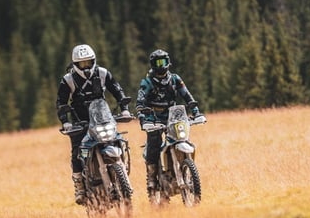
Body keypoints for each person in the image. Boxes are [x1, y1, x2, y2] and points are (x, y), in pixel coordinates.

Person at [57, 44, 131, 205]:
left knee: (118, 140)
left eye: (89, 62)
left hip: (102, 118)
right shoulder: (68, 80)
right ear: (75, 64)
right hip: (80, 121)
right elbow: (61, 103)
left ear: (94, 61)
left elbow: (117, 91)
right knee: (77, 151)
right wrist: (66, 122)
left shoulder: (103, 73)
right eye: (82, 64)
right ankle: (79, 185)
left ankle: (122, 172)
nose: (86, 67)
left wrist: (125, 109)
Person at [136, 49, 204, 198]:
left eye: (164, 62)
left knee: (182, 138)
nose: (162, 65)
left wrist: (196, 111)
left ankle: (184, 167)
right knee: (154, 143)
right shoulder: (147, 82)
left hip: (173, 116)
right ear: (153, 64)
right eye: (158, 62)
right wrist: (142, 117)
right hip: (153, 119)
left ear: (168, 62)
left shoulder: (175, 79)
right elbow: (140, 103)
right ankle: (152, 178)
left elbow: (187, 96)